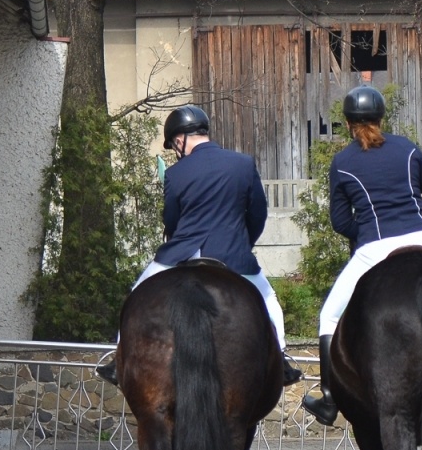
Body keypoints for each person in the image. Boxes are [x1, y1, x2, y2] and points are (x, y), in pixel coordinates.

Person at [96, 105, 300, 388]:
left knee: (135, 296)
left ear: (179, 140)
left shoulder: (176, 174)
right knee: (268, 302)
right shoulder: (243, 163)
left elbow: (171, 219)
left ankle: (118, 361)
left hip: (182, 253)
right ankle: (282, 360)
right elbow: (258, 215)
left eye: (173, 145)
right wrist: (241, 245)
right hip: (233, 255)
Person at [300, 86, 422, 425]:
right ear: (382, 117)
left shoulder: (342, 162)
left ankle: (329, 399)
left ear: (348, 123)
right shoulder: (408, 148)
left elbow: (340, 220)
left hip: (375, 245)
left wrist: (365, 235)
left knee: (329, 316)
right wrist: (421, 225)